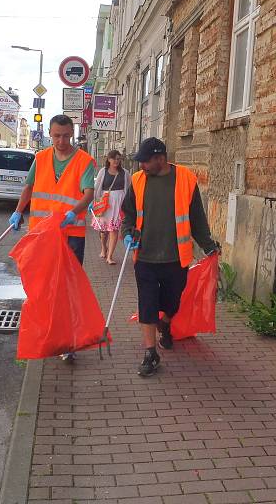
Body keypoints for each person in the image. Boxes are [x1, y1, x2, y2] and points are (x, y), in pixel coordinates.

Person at [121, 137, 219, 377]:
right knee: (147, 303)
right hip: (144, 256)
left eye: (145, 161)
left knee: (172, 303)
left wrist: (208, 246)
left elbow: (197, 218)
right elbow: (128, 215)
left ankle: (165, 324)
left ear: (160, 158)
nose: (141, 166)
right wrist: (126, 234)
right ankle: (150, 353)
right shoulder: (137, 181)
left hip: (176, 258)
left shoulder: (185, 179)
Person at [9, 114, 96, 362]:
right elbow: (28, 187)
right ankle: (45, 332)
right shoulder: (40, 158)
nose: (61, 141)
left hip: (71, 234)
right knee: (42, 285)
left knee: (66, 288)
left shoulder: (84, 161)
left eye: (66, 136)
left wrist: (74, 212)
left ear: (72, 133)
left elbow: (89, 194)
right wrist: (17, 212)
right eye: (57, 136)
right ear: (50, 133)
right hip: (41, 234)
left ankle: (66, 340)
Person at [92, 150, 128, 265]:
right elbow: (97, 187)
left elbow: (128, 189)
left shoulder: (125, 173)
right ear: (109, 159)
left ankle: (110, 256)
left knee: (114, 229)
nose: (116, 161)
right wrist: (94, 201)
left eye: (118, 159)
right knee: (103, 230)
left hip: (119, 203)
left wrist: (127, 204)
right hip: (105, 202)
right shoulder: (103, 171)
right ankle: (103, 248)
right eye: (114, 159)